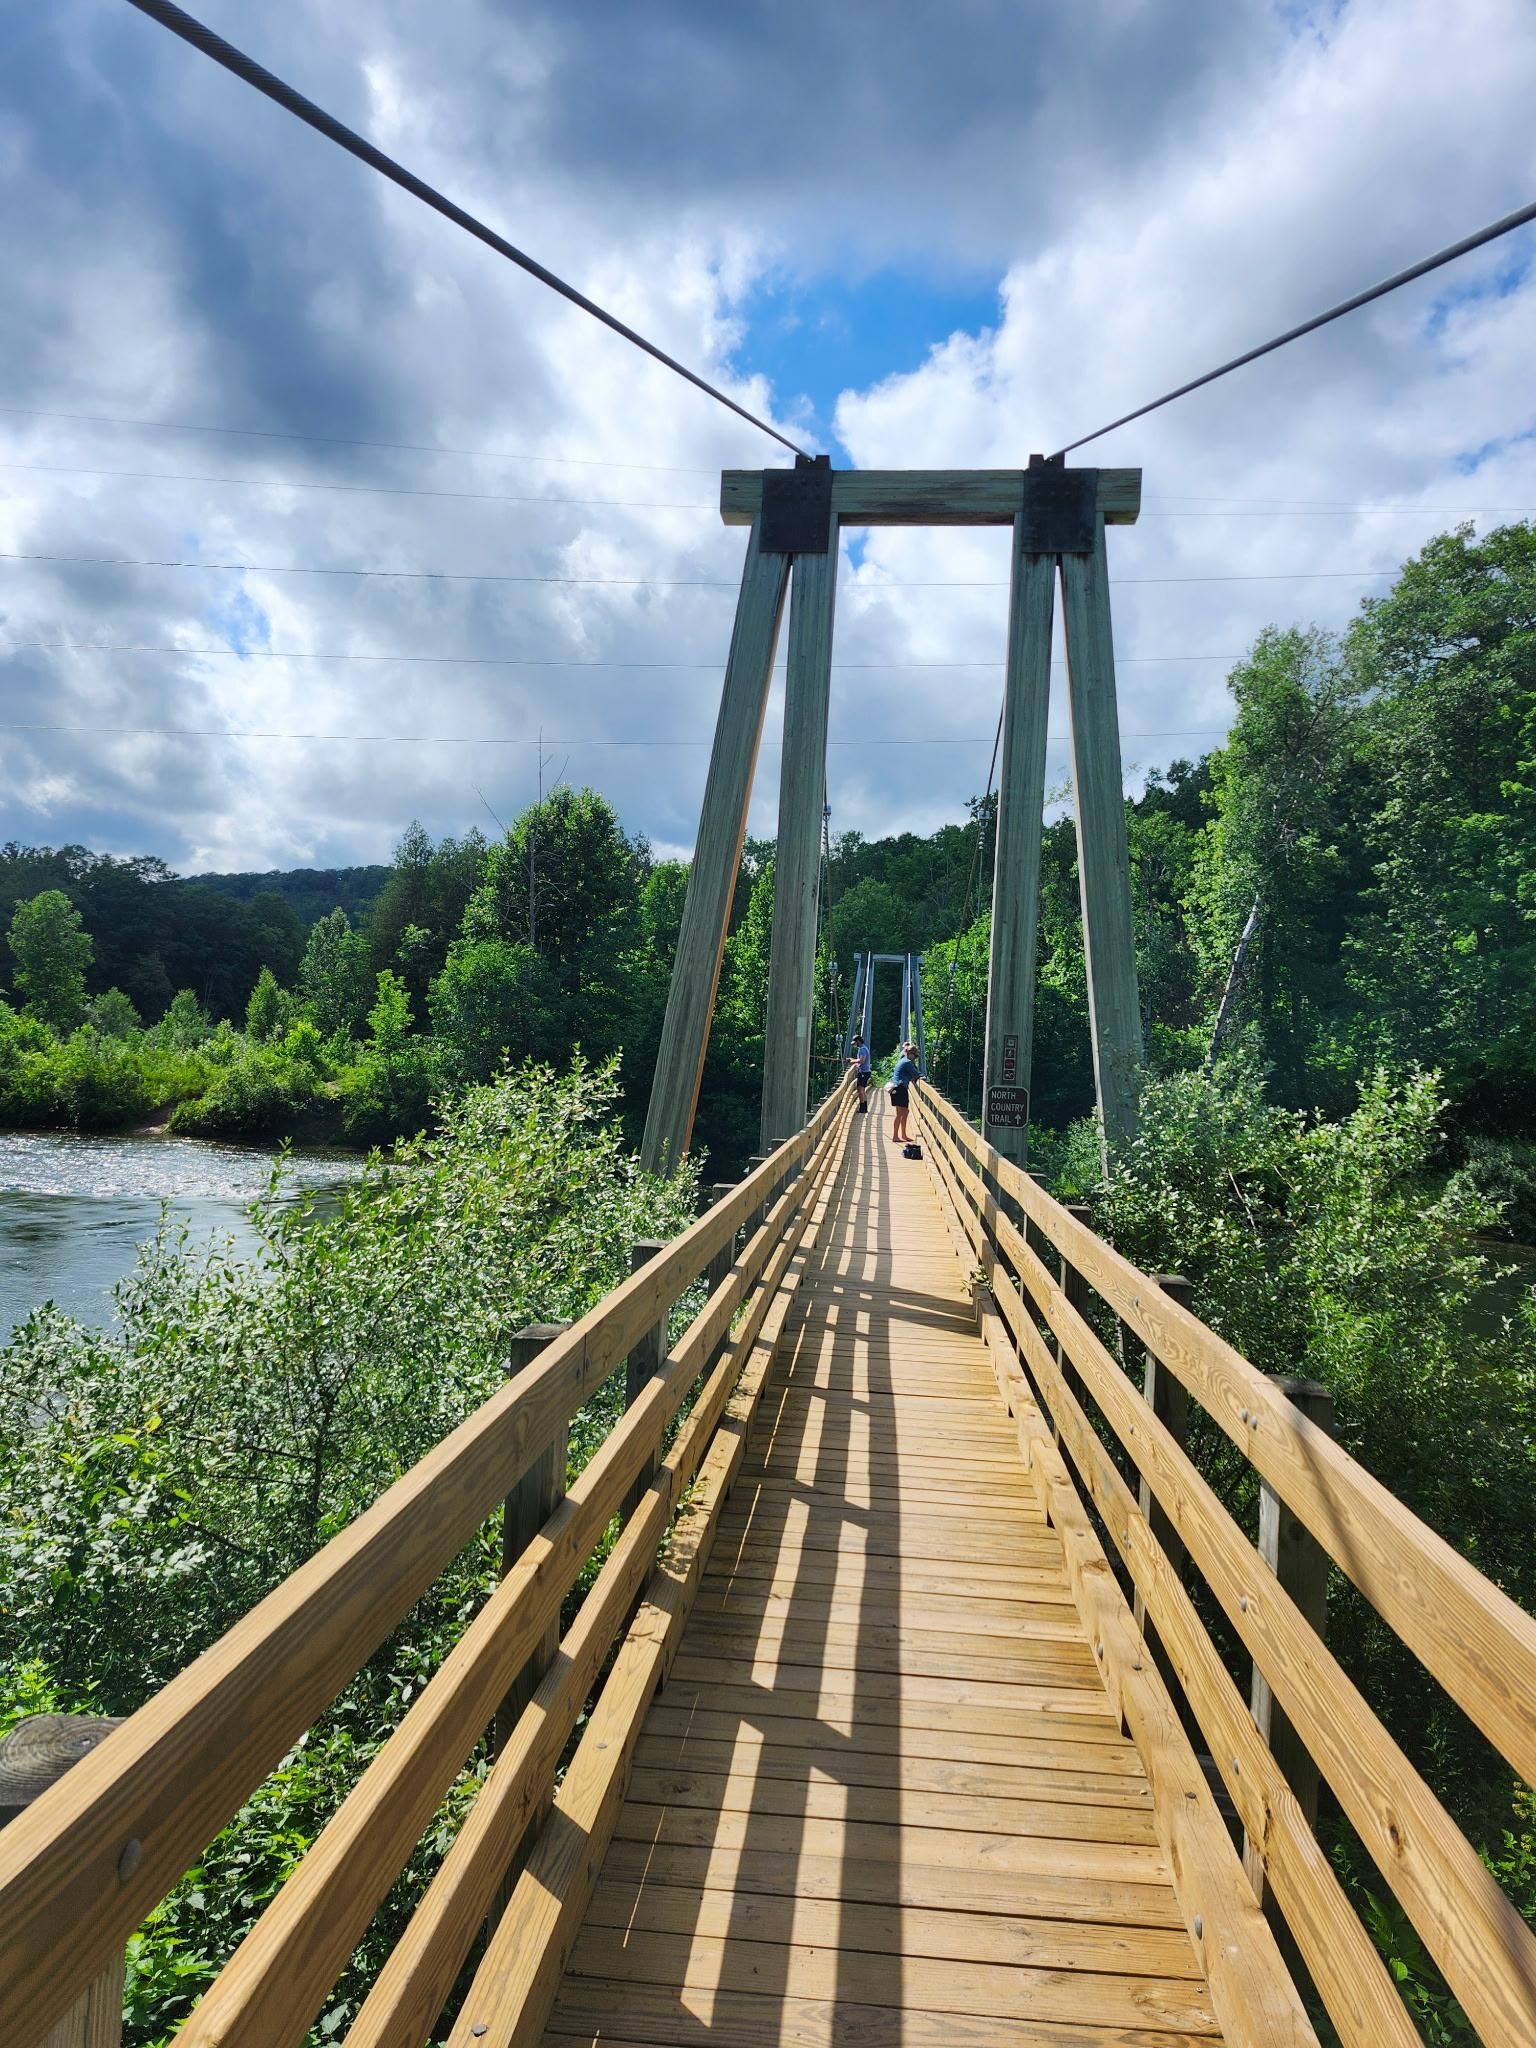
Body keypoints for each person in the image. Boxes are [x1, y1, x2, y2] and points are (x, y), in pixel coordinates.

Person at [888, 1041, 920, 1145]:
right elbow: (916, 1074)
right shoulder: (907, 1062)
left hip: (898, 1088)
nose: (915, 1058)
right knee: (900, 1114)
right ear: (910, 1053)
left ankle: (903, 1135)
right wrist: (917, 1076)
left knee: (905, 1112)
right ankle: (895, 1136)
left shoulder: (903, 1060)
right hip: (900, 1088)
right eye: (915, 1056)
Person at [848, 1034, 872, 1114]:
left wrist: (852, 1061)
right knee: (862, 1090)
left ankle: (862, 1109)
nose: (854, 1044)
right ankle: (864, 1108)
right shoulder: (864, 1048)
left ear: (858, 1041)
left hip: (863, 1072)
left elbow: (862, 1061)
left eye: (855, 1043)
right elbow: (860, 1060)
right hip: (865, 1072)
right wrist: (853, 1060)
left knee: (860, 1090)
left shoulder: (862, 1049)